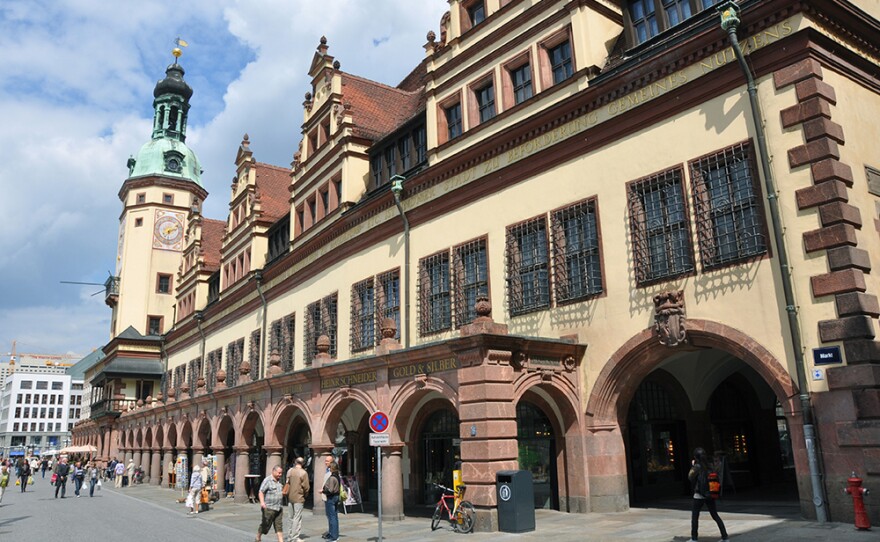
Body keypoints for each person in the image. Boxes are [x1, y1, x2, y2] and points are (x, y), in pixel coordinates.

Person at [687, 447, 729, 542]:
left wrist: (693, 465)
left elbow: (690, 477)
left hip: (699, 495)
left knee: (695, 517)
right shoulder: (710, 466)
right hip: (710, 494)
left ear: (696, 457)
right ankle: (725, 537)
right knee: (715, 515)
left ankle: (694, 538)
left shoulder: (697, 467)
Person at [256, 465, 285, 542]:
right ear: (274, 471)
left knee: (279, 526)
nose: (280, 475)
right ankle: (258, 537)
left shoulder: (279, 481)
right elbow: (261, 492)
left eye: (281, 473)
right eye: (279, 473)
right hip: (269, 508)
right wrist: (262, 503)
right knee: (265, 526)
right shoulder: (267, 480)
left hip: (279, 507)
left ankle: (281, 540)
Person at [286, 457, 311, 542]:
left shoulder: (290, 471)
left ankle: (289, 536)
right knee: (297, 517)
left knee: (290, 517)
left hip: (290, 497)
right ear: (303, 463)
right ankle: (295, 537)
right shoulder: (303, 473)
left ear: (295, 462)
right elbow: (306, 487)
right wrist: (305, 495)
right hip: (299, 497)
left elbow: (287, 482)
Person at [322, 462, 341, 542]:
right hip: (336, 497)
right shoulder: (337, 476)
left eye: (330, 467)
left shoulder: (332, 477)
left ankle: (333, 536)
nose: (329, 468)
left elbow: (330, 490)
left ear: (332, 468)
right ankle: (335, 534)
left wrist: (323, 491)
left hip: (331, 498)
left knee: (331, 517)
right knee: (335, 517)